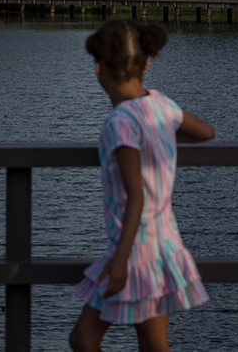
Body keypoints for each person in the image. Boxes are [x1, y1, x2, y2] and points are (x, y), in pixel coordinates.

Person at [69, 19, 214, 352]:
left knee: (83, 339)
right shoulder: (160, 107)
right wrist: (160, 129)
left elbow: (137, 195)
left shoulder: (119, 123)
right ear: (147, 64)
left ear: (98, 68)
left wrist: (119, 259)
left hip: (135, 250)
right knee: (153, 345)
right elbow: (206, 132)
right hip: (163, 244)